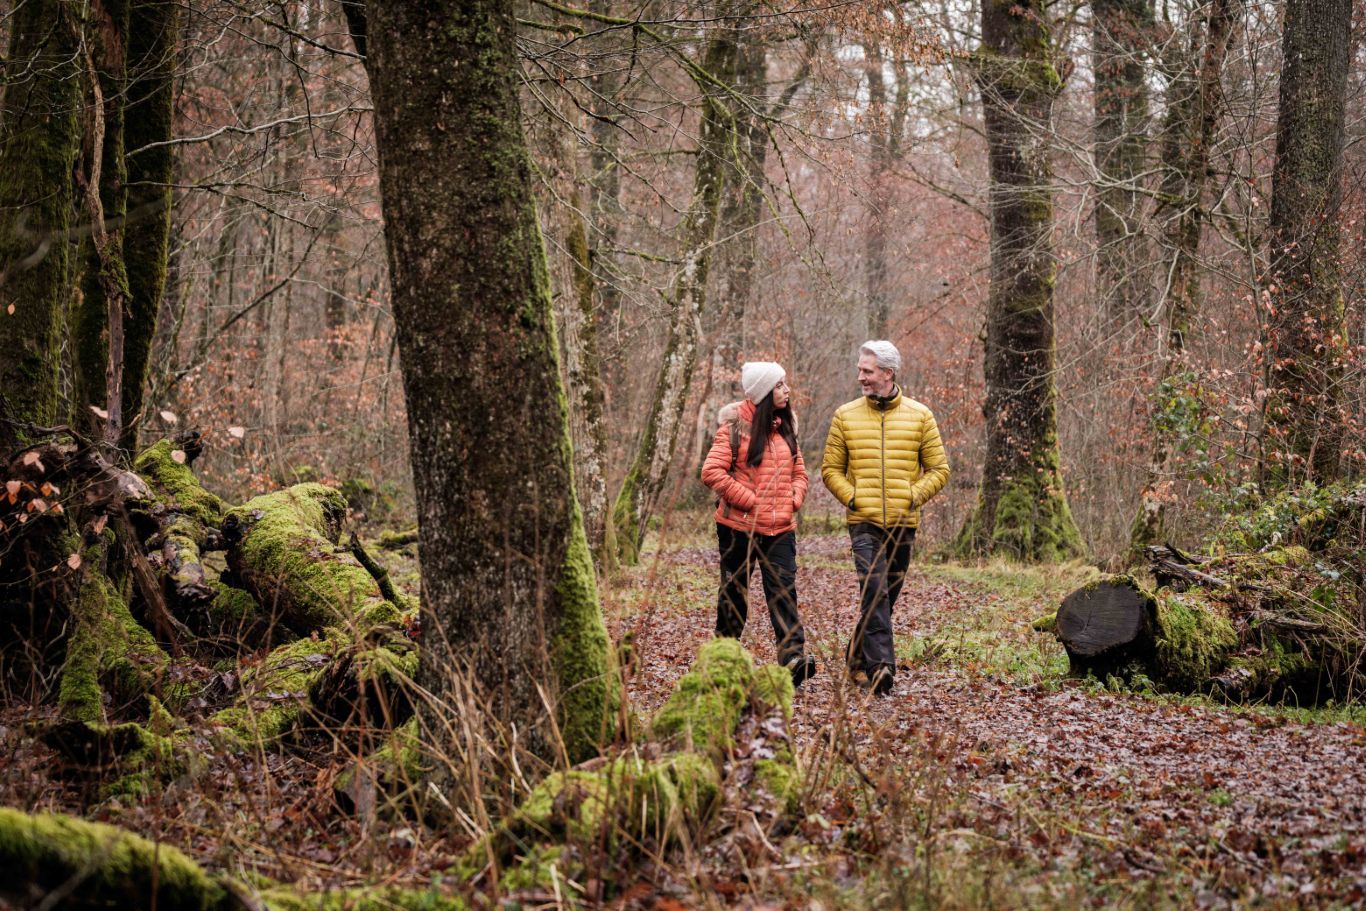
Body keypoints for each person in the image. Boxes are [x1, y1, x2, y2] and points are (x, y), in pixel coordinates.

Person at [821, 341, 950, 696]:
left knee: (884, 597)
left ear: (888, 373)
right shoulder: (845, 415)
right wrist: (852, 496)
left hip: (903, 522)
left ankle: (856, 656)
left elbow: (939, 469)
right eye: (860, 370)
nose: (860, 376)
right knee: (874, 589)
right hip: (863, 522)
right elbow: (831, 469)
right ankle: (881, 668)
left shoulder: (920, 415)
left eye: (867, 371)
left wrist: (912, 495)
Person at [701, 361, 818, 686]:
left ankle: (793, 659)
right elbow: (711, 472)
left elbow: (800, 471)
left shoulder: (786, 426)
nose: (787, 390)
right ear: (765, 392)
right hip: (738, 529)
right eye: (780, 385)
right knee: (734, 594)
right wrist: (751, 501)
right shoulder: (733, 428)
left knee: (783, 592)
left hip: (780, 529)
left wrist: (794, 498)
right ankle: (723, 658)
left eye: (785, 384)